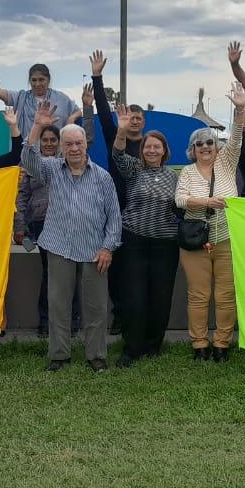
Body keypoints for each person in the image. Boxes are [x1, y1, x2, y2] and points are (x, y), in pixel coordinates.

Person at [21, 101, 122, 373]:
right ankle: (59, 355)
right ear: (62, 147)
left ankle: (96, 355)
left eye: (78, 143)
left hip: (94, 250)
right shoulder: (51, 170)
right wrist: (37, 126)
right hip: (59, 247)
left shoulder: (103, 178)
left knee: (96, 307)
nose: (74, 148)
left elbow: (114, 217)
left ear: (86, 145)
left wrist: (108, 247)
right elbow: (28, 160)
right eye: (68, 144)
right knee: (58, 306)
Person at [175, 83, 245, 362]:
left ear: (217, 147)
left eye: (210, 142)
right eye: (199, 144)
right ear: (192, 150)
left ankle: (222, 343)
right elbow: (180, 200)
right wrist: (207, 202)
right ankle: (199, 343)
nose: (205, 147)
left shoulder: (226, 163)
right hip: (196, 241)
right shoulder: (187, 172)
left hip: (227, 238)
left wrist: (240, 110)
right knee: (198, 294)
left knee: (226, 294)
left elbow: (237, 139)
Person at [109, 105, 180, 367]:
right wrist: (121, 130)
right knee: (134, 297)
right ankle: (132, 348)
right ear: (142, 150)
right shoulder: (133, 169)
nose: (151, 150)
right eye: (148, 146)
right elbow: (117, 154)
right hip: (134, 243)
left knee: (160, 297)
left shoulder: (175, 177)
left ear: (164, 151)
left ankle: (153, 345)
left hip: (165, 245)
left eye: (156, 147)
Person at [87, 50, 143, 336]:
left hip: (140, 216)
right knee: (114, 269)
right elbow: (103, 110)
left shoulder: (151, 147)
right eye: (130, 117)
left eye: (138, 118)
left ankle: (135, 315)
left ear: (143, 122)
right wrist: (97, 77)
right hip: (113, 212)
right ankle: (118, 315)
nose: (134, 121)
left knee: (135, 270)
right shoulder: (115, 140)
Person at [14, 125, 83, 337]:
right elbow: (21, 197)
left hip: (69, 223)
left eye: (54, 139)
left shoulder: (69, 163)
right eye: (45, 140)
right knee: (50, 273)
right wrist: (19, 225)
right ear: (39, 142)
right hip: (41, 224)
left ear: (60, 143)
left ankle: (72, 321)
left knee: (72, 272)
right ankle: (45, 321)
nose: (49, 143)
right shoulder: (29, 166)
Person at [0, 48, 79, 138]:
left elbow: (78, 111)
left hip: (53, 148)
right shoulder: (20, 97)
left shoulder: (61, 98)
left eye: (41, 80)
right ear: (29, 81)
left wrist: (71, 118)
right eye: (34, 80)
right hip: (26, 149)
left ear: (48, 80)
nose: (37, 84)